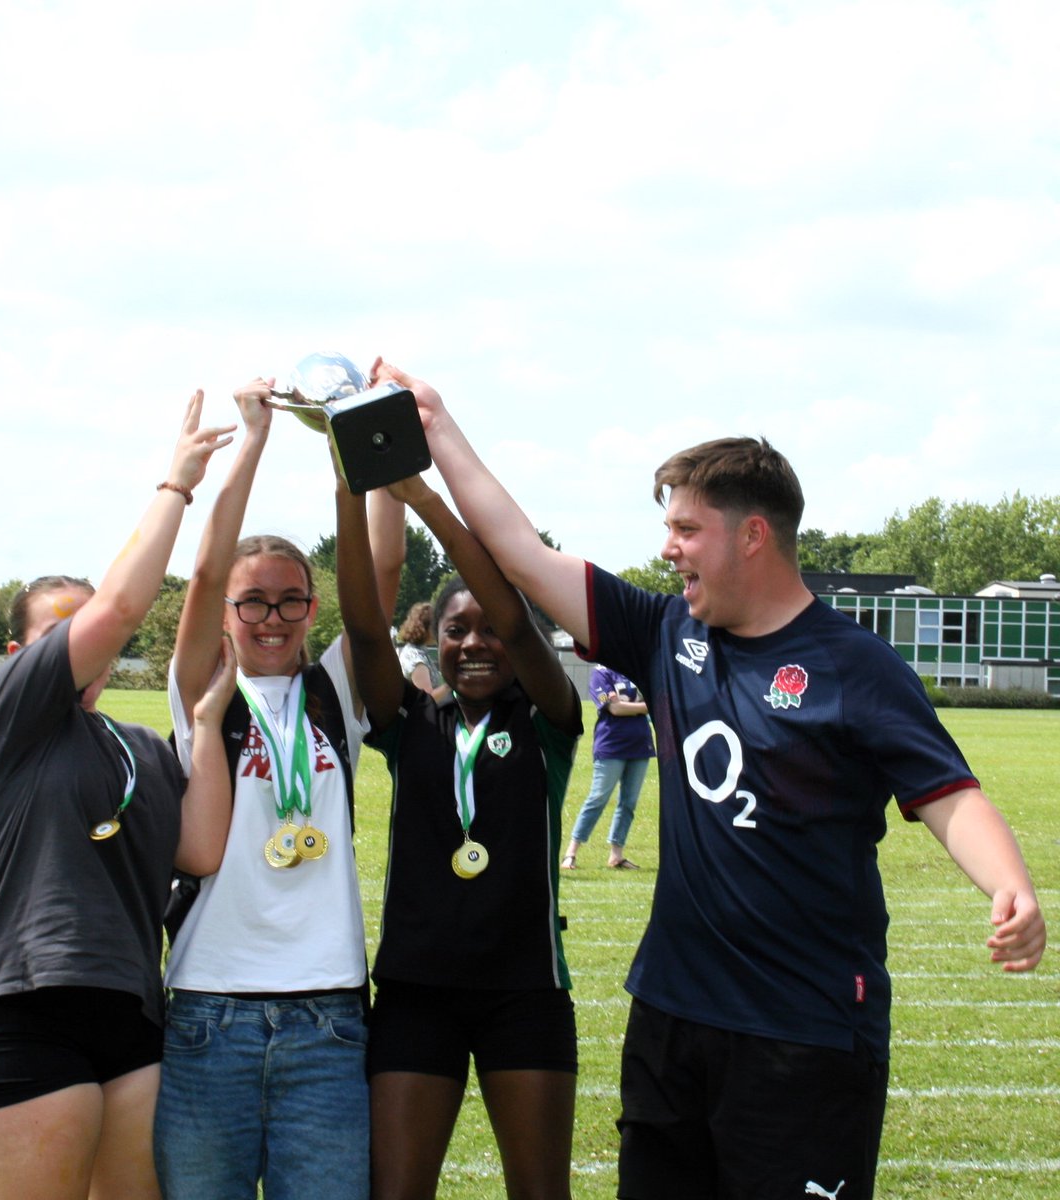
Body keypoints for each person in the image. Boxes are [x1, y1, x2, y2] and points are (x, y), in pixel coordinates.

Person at [368, 359, 1047, 1200]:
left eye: (686, 529)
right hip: (671, 1021)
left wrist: (1009, 884)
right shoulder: (663, 634)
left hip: (803, 1033)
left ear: (751, 535)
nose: (668, 548)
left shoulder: (856, 666)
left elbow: (948, 794)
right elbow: (516, 550)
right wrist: (436, 424)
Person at [0, 392, 236, 1200]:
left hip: (130, 1010)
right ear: (19, 654)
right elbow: (116, 611)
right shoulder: (9, 715)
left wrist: (208, 724)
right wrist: (176, 485)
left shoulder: (138, 743)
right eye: (57, 635)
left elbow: (201, 850)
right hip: (26, 1002)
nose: (82, 647)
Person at [153, 377, 405, 1200]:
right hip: (207, 1013)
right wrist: (253, 438)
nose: (272, 617)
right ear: (226, 610)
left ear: (312, 605)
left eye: (291, 600)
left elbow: (385, 570)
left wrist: (360, 445)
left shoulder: (339, 691)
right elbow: (197, 574)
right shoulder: (201, 689)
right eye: (252, 600)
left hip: (328, 1018)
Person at [334, 463, 584, 1200]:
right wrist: (352, 482)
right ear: (432, 639)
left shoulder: (547, 721)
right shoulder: (409, 721)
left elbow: (513, 615)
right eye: (455, 630)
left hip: (526, 989)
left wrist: (424, 500)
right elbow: (360, 630)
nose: (476, 644)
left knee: (541, 1192)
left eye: (489, 631)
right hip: (417, 992)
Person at [561, 665, 655, 870]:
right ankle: (571, 852)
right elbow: (614, 708)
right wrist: (643, 707)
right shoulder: (601, 674)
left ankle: (616, 855)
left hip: (640, 744)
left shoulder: (635, 670)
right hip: (612, 745)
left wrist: (629, 705)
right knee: (598, 798)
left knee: (629, 802)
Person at [396, 599, 442, 692]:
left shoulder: (420, 651)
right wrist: (451, 684)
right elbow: (427, 698)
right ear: (424, 628)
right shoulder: (415, 657)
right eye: (435, 626)